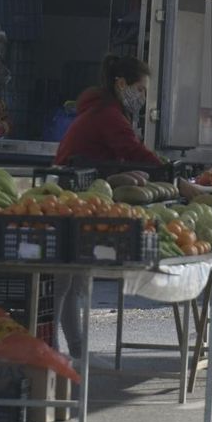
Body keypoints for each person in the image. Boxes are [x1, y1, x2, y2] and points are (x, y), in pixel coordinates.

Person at [51, 55, 162, 363]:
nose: (142, 96)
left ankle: (71, 352)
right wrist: (168, 172)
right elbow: (132, 151)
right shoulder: (108, 114)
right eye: (140, 89)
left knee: (73, 280)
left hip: (80, 197)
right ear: (121, 84)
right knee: (65, 281)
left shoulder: (107, 109)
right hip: (71, 198)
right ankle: (53, 353)